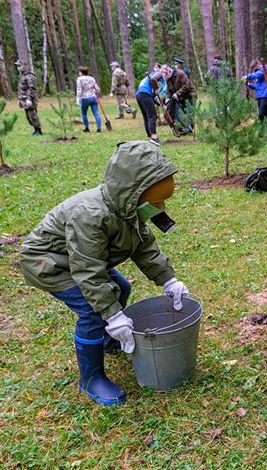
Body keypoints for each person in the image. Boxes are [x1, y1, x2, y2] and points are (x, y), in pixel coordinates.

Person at [20, 140, 191, 406]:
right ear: (133, 192)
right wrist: (112, 316)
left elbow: (144, 246)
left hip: (78, 257)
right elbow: (88, 271)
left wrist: (168, 279)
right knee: (92, 308)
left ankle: (107, 341)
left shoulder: (128, 208)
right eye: (155, 202)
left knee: (120, 288)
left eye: (162, 202)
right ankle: (90, 377)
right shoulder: (90, 215)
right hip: (47, 263)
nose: (159, 208)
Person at [135, 67, 169, 145]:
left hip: (140, 94)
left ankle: (150, 135)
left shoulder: (149, 76)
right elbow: (153, 79)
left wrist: (160, 104)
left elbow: (151, 98)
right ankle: (154, 137)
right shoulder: (158, 73)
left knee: (146, 116)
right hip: (145, 94)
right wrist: (156, 88)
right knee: (152, 116)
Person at [164, 64, 196, 135]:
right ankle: (184, 130)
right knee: (181, 114)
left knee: (189, 113)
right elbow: (169, 91)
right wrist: (167, 98)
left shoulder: (180, 74)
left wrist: (177, 93)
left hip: (189, 96)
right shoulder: (168, 78)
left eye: (165, 76)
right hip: (181, 98)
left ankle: (190, 131)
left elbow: (186, 85)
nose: (165, 78)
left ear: (169, 71)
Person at [14, 60, 42, 136]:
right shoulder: (22, 76)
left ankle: (38, 130)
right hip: (24, 98)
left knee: (33, 115)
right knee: (28, 116)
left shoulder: (29, 76)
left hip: (29, 98)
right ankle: (35, 130)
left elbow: (31, 88)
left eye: (19, 66)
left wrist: (29, 98)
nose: (18, 68)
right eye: (17, 66)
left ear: (24, 66)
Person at [76, 66, 102, 133]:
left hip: (85, 98)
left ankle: (87, 128)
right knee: (96, 113)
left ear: (81, 72)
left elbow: (79, 91)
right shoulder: (92, 78)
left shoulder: (79, 79)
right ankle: (99, 128)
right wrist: (94, 92)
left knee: (83, 113)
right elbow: (97, 89)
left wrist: (78, 100)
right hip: (93, 97)